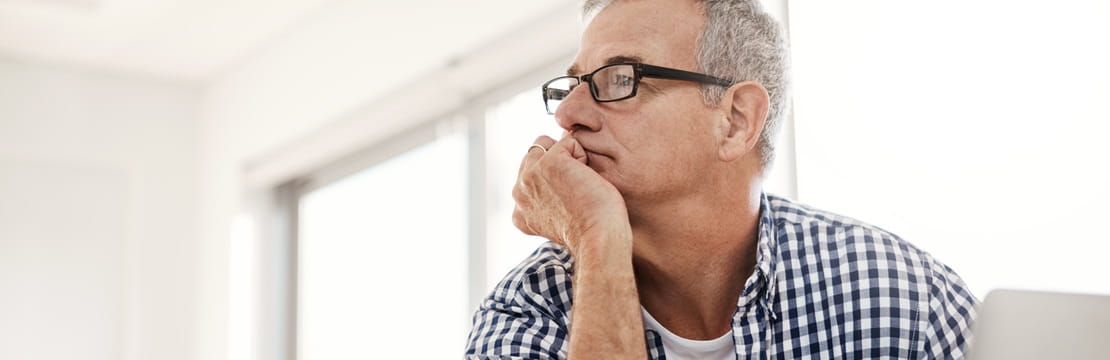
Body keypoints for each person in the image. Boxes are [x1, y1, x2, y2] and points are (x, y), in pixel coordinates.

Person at [464, 0, 977, 358]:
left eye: (621, 78)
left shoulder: (904, 297)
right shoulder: (528, 308)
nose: (569, 113)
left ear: (735, 121)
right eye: (572, 85)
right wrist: (598, 237)